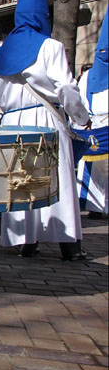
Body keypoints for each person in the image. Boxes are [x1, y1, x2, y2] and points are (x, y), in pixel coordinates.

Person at [0, 0, 90, 261]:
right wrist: (82, 117)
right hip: (44, 120)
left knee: (23, 182)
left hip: (12, 123)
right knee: (55, 181)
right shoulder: (50, 47)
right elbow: (67, 88)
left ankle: (25, 242)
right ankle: (68, 246)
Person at [76, 11, 107, 219]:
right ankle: (94, 205)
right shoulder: (87, 75)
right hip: (96, 124)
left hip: (98, 122)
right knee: (93, 169)